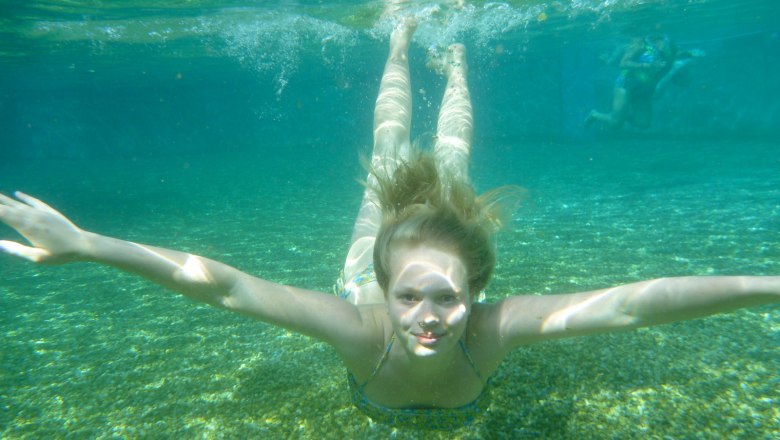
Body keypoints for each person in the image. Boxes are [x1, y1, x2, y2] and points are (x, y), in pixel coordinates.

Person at [0, 19, 777, 430]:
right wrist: (88, 244)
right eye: (409, 297)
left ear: (477, 285)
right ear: (381, 288)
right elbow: (225, 287)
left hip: (433, 244)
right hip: (374, 252)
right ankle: (402, 39)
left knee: (453, 153)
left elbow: (635, 302)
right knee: (389, 148)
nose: (430, 319)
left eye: (447, 296)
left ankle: (462, 68)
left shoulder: (494, 325)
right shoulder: (357, 324)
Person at [585, 35, 704, 130]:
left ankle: (621, 114)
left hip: (646, 89)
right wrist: (647, 66)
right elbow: (623, 63)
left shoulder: (669, 43)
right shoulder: (640, 43)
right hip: (627, 84)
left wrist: (690, 54)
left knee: (644, 123)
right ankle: (595, 115)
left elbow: (676, 56)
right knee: (615, 124)